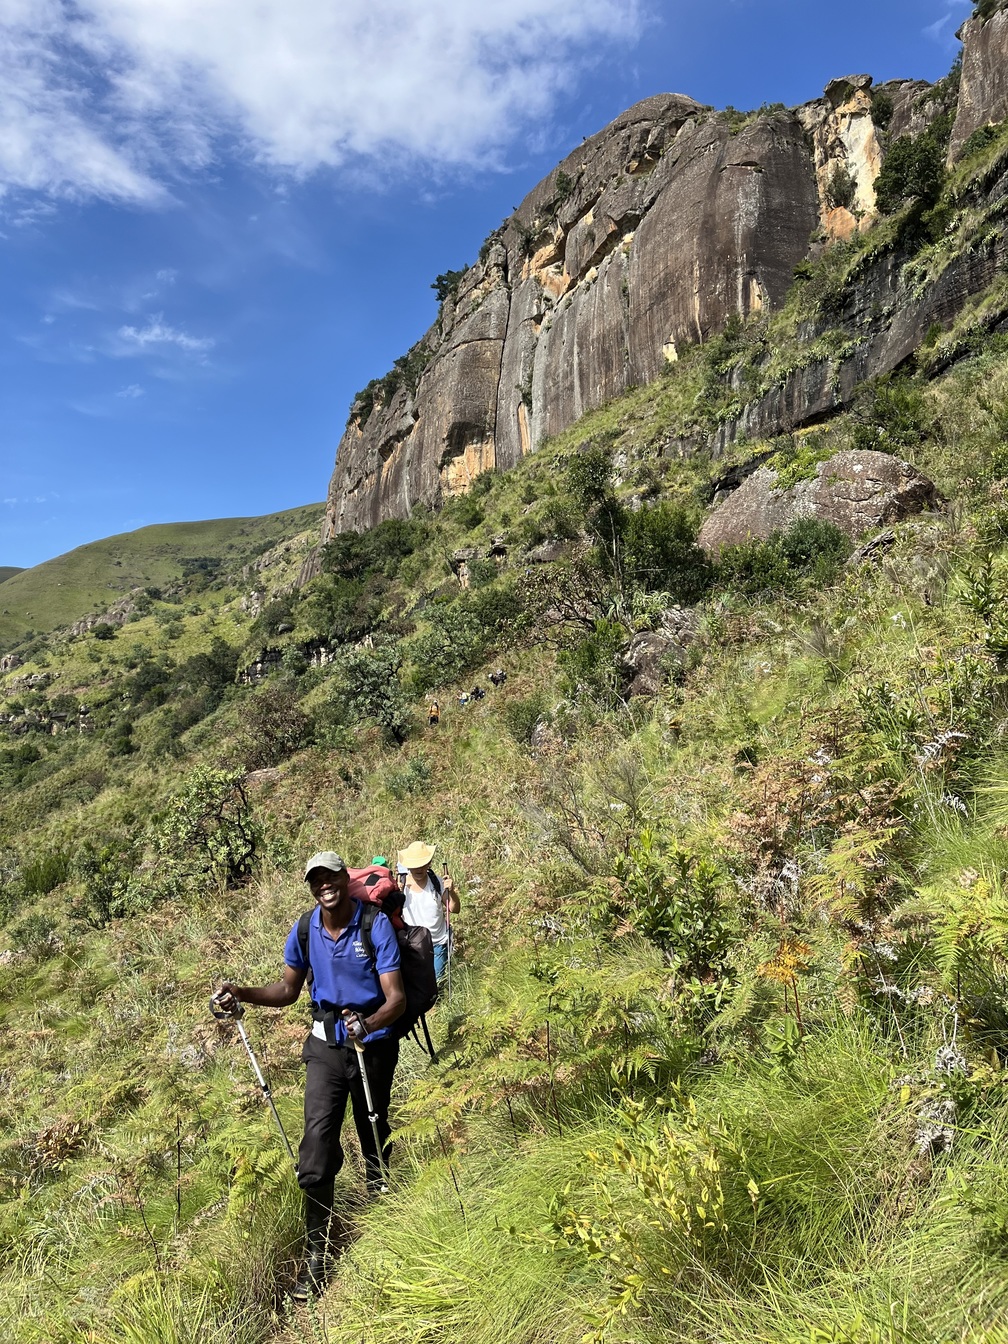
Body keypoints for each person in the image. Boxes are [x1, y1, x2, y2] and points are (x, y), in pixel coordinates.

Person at [216, 851, 404, 1301]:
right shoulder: (305, 929)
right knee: (316, 1143)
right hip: (324, 1047)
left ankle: (384, 1208)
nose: (325, 885)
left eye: (332, 876)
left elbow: (394, 997)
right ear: (311, 885)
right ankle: (316, 1256)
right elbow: (287, 989)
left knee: (372, 1126)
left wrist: (370, 1024)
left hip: (372, 1046)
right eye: (316, 879)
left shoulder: (373, 924)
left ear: (345, 877)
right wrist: (239, 992)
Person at [397, 840, 460, 984]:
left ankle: (438, 1007)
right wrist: (397, 894)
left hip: (437, 944)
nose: (418, 868)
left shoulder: (437, 882)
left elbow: (454, 909)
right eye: (414, 865)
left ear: (429, 863)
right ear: (408, 865)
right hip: (414, 946)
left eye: (422, 864)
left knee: (435, 984)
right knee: (418, 987)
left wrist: (452, 892)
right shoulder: (401, 885)